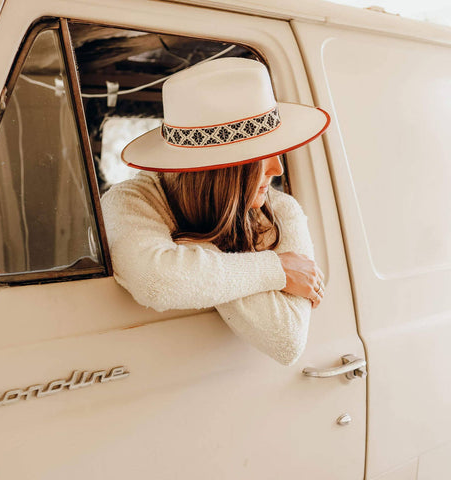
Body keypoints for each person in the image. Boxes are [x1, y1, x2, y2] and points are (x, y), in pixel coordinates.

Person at [101, 57, 330, 366]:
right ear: (221, 170)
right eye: (263, 155)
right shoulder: (132, 200)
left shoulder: (281, 209)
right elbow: (156, 282)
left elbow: (287, 339)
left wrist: (187, 249)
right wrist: (277, 270)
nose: (277, 168)